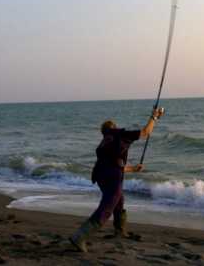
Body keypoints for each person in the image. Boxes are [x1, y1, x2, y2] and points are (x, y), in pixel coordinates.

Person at [69, 107, 165, 253]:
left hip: (101, 175)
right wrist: (154, 117)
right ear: (114, 127)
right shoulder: (120, 134)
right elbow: (145, 132)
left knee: (118, 200)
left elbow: (113, 164)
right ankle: (80, 236)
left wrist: (132, 169)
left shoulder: (103, 143)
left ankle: (119, 231)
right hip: (112, 175)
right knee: (107, 207)